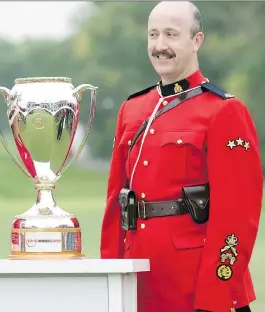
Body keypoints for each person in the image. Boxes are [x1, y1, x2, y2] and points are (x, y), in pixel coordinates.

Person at [100, 2, 262, 312]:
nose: (160, 46)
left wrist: (215, 294)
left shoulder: (224, 111)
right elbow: (116, 203)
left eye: (172, 35)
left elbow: (238, 215)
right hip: (138, 282)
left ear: (196, 40)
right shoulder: (132, 110)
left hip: (194, 289)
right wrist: (111, 276)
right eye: (153, 34)